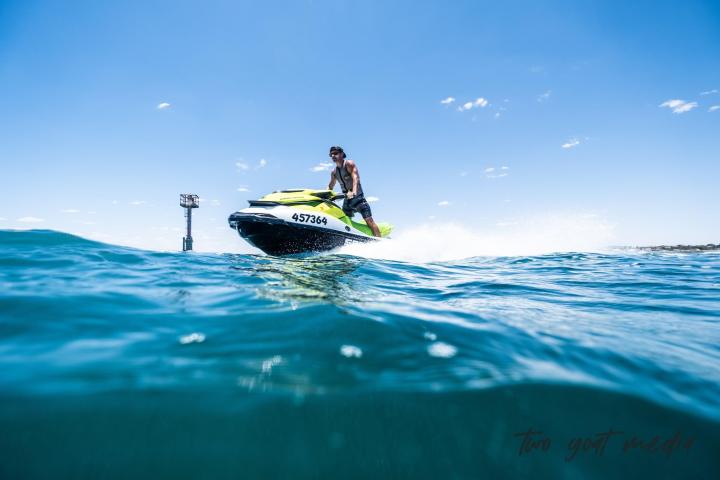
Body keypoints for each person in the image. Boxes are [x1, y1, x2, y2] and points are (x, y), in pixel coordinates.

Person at [327, 145, 381, 237]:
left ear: (342, 154)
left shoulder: (349, 164)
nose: (333, 156)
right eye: (331, 154)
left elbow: (356, 178)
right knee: (344, 220)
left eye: (335, 153)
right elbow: (330, 185)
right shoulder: (334, 172)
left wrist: (354, 192)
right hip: (347, 199)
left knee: (369, 220)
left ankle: (380, 241)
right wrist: (325, 194)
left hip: (358, 198)